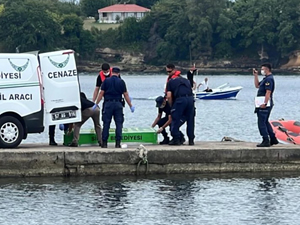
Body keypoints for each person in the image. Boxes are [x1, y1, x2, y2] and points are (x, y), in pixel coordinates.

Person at [95, 67, 135, 148]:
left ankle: (104, 143)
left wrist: (96, 103)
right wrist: (130, 105)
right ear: (119, 73)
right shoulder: (121, 82)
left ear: (111, 72)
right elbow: (126, 95)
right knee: (119, 124)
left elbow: (101, 93)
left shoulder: (106, 81)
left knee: (106, 123)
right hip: (118, 104)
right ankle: (117, 143)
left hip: (108, 104)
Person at [166, 65, 195, 145]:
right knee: (190, 120)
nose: (168, 74)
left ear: (174, 71)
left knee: (175, 119)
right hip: (190, 99)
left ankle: (176, 139)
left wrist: (171, 106)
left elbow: (169, 96)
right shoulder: (186, 81)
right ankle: (191, 140)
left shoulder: (170, 82)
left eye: (169, 72)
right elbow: (191, 88)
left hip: (180, 100)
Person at [253, 63, 279, 147]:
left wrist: (264, 103)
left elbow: (268, 92)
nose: (262, 71)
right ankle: (273, 138)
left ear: (267, 69)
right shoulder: (265, 79)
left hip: (265, 104)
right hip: (262, 102)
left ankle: (265, 140)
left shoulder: (269, 79)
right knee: (265, 121)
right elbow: (257, 85)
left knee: (261, 122)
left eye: (263, 69)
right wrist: (255, 76)